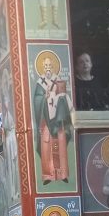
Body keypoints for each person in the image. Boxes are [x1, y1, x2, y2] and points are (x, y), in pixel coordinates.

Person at [33, 52, 73, 185]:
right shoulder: (40, 83)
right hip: (46, 121)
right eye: (45, 66)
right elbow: (37, 99)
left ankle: (63, 174)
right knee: (46, 146)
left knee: (60, 145)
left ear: (53, 66)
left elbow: (64, 97)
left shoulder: (58, 80)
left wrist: (58, 97)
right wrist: (43, 98)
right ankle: (48, 176)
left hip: (58, 120)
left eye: (50, 65)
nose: (48, 68)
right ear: (42, 67)